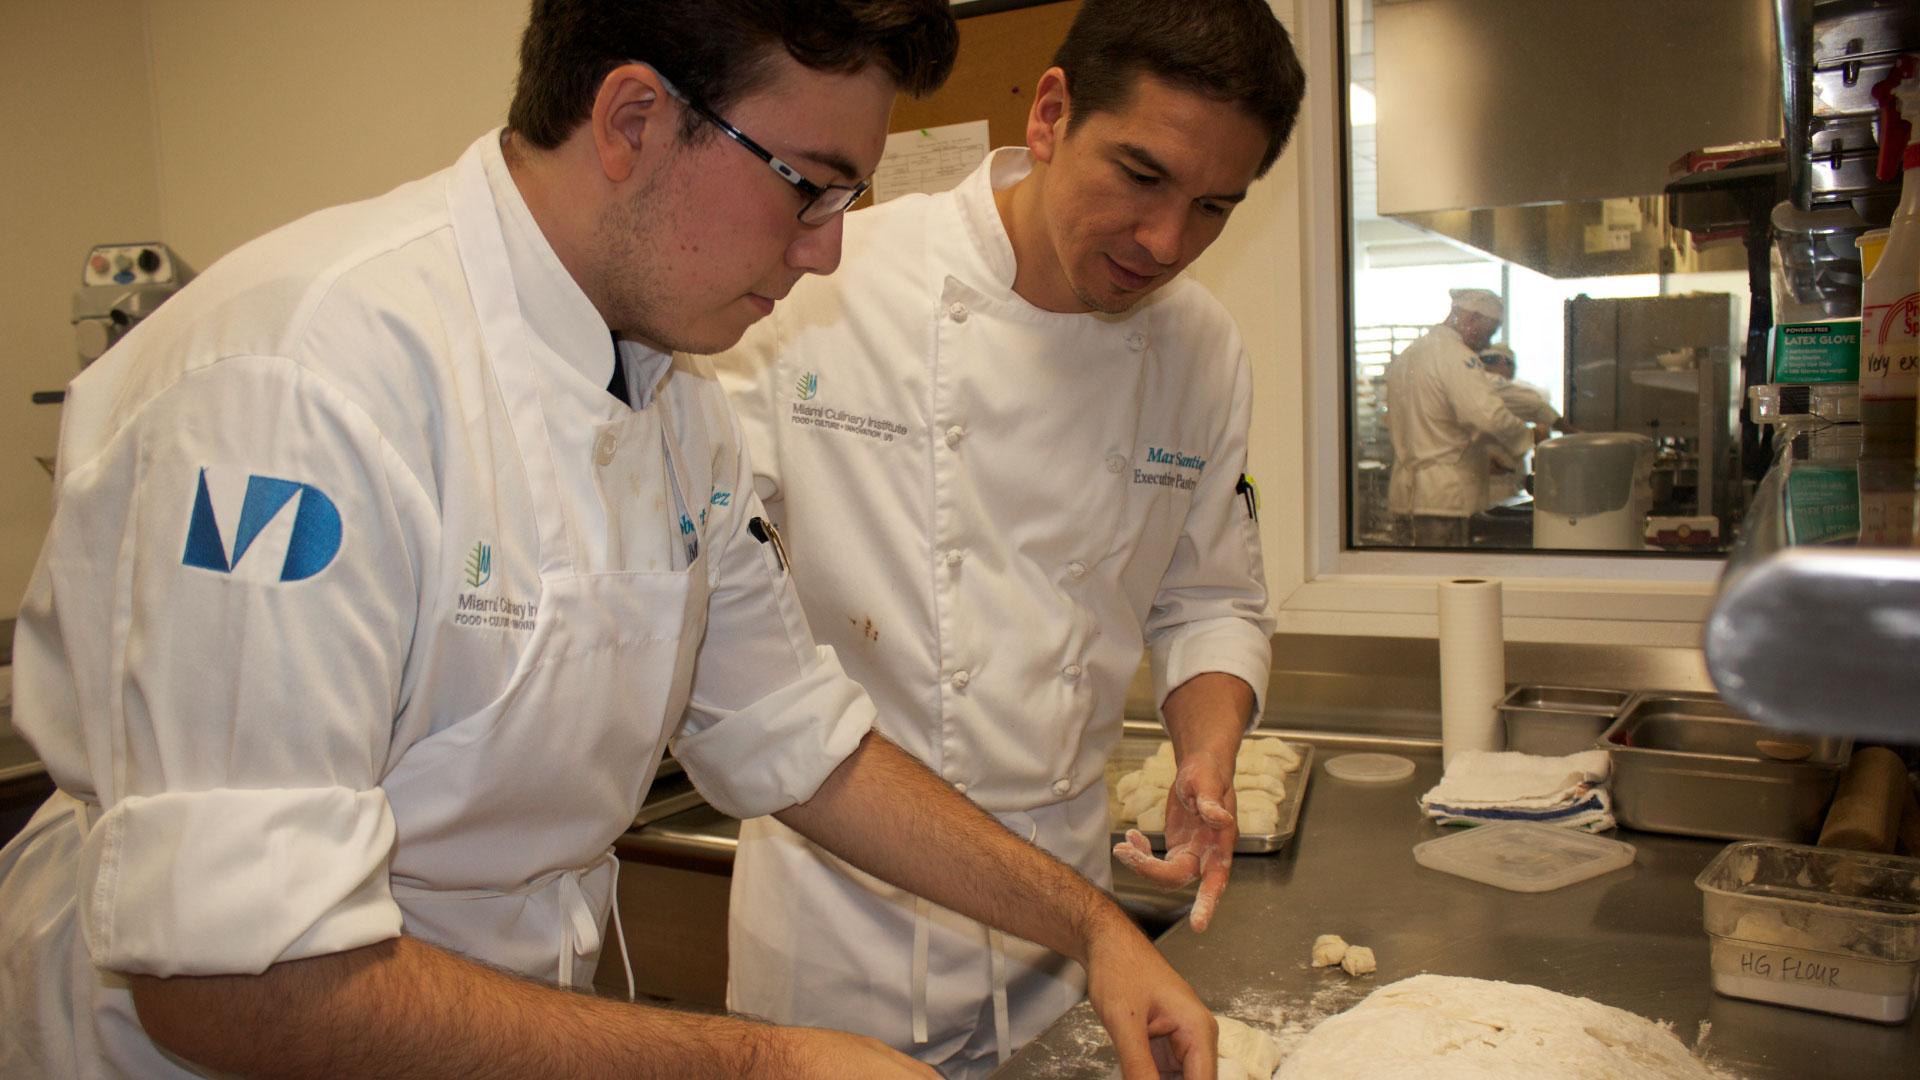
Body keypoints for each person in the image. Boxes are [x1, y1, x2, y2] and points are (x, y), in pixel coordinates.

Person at [0, 4, 1222, 1079]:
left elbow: (801, 743)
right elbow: (232, 983)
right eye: (809, 185)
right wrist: (765, 1062)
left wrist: (1092, 927)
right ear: (634, 119)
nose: (826, 248)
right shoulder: (304, 382)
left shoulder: (674, 404)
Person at [710, 1, 1302, 1074]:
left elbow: (1210, 599)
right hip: (840, 934)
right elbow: (707, 578)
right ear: (1051, 114)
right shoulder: (829, 286)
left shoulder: (1201, 350)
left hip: (1061, 938)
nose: (1166, 243)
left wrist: (1205, 763)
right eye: (1142, 175)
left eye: (1215, 206)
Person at [1383, 287, 1543, 545]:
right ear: (1473, 318)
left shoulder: (1408, 356)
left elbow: (1430, 425)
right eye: (1489, 333)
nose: (1488, 344)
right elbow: (1488, 416)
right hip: (1446, 500)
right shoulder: (1456, 356)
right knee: (1444, 568)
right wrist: (1528, 438)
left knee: (1411, 569)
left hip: (1404, 497)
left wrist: (1480, 455)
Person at [1474, 343, 1572, 506]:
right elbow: (1536, 406)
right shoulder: (1495, 383)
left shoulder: (1470, 383)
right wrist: (1572, 431)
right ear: (1502, 362)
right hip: (1497, 485)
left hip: (1478, 480)